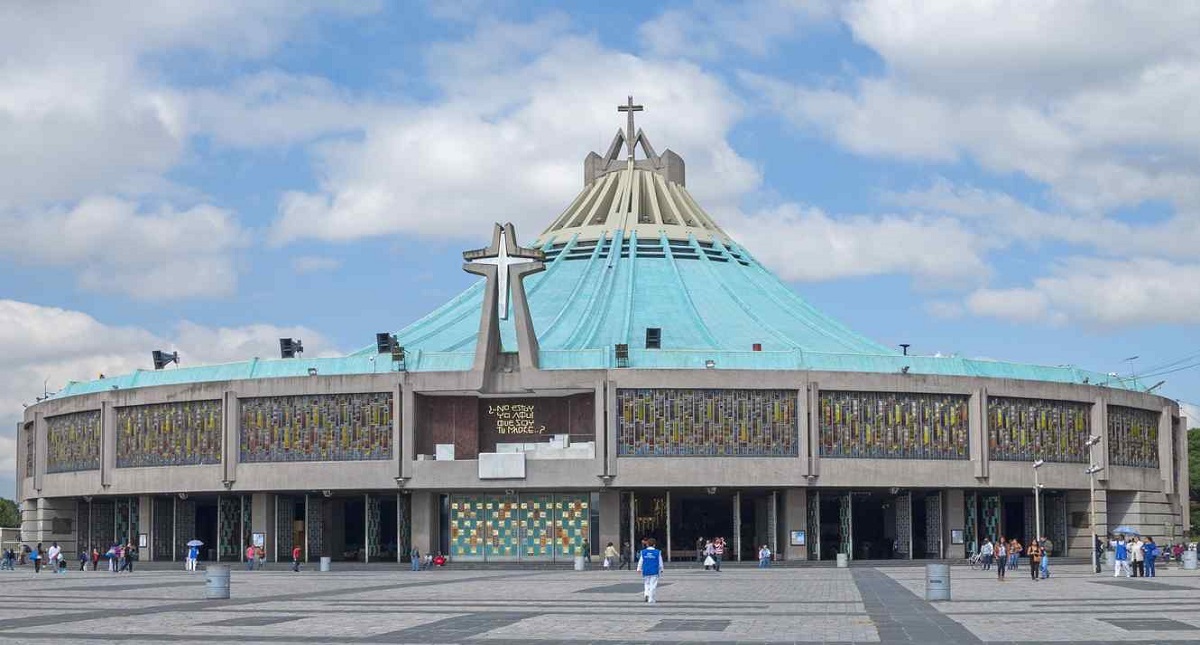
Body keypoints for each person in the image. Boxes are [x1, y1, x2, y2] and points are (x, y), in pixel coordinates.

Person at [637, 537, 663, 604]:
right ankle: (651, 598)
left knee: (647, 583)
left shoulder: (643, 552)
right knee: (653, 585)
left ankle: (646, 594)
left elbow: (641, 561)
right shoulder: (657, 552)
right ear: (654, 545)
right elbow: (660, 562)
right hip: (654, 570)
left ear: (647, 544)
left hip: (646, 570)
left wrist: (639, 568)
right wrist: (661, 569)